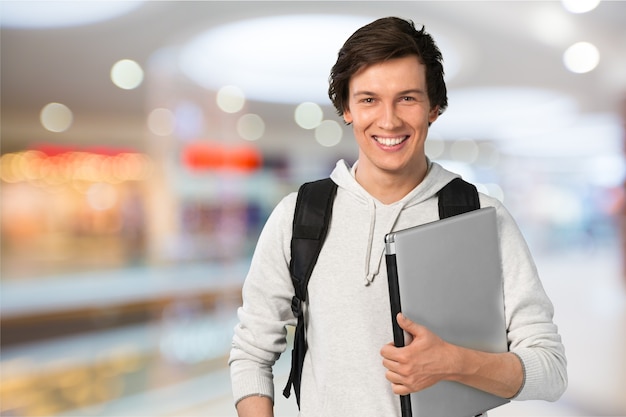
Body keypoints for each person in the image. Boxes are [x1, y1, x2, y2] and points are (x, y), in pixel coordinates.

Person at [229, 16, 567, 416]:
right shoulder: (298, 217)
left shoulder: (482, 217)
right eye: (369, 99)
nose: (388, 120)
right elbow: (251, 353)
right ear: (347, 109)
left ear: (434, 109)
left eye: (407, 98)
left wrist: (457, 363)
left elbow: (550, 370)